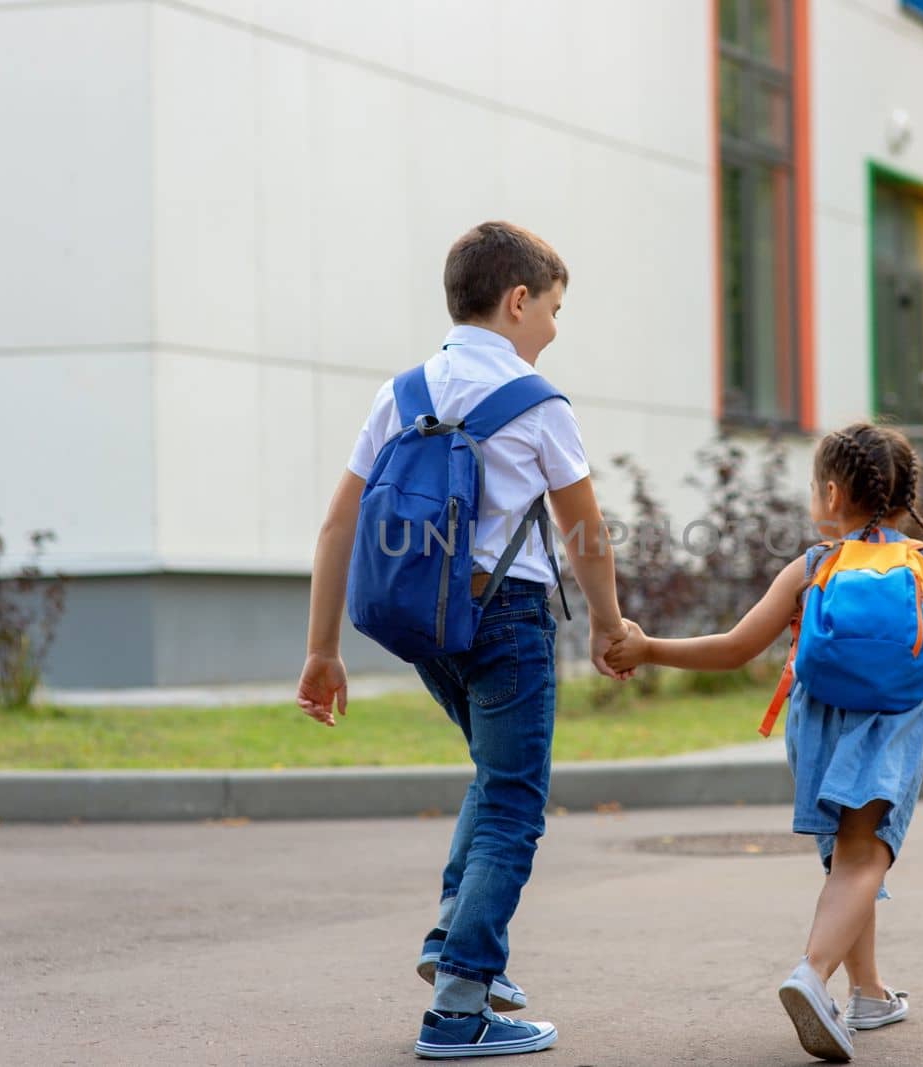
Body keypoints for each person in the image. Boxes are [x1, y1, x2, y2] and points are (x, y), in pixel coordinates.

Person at [297, 221, 630, 1060]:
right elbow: (585, 529)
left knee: (495, 772)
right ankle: (458, 1005)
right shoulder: (538, 403)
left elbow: (339, 522)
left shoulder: (401, 393)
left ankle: (454, 936)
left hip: (422, 627)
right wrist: (611, 624)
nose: (554, 329)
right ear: (518, 302)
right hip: (508, 623)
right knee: (516, 801)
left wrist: (322, 649)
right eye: (553, 309)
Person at [605, 422, 923, 1063]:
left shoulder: (816, 565)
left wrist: (648, 648)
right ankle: (811, 974)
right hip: (889, 730)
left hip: (816, 731)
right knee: (865, 861)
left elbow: (734, 649)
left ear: (834, 494)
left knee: (848, 856)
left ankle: (868, 992)